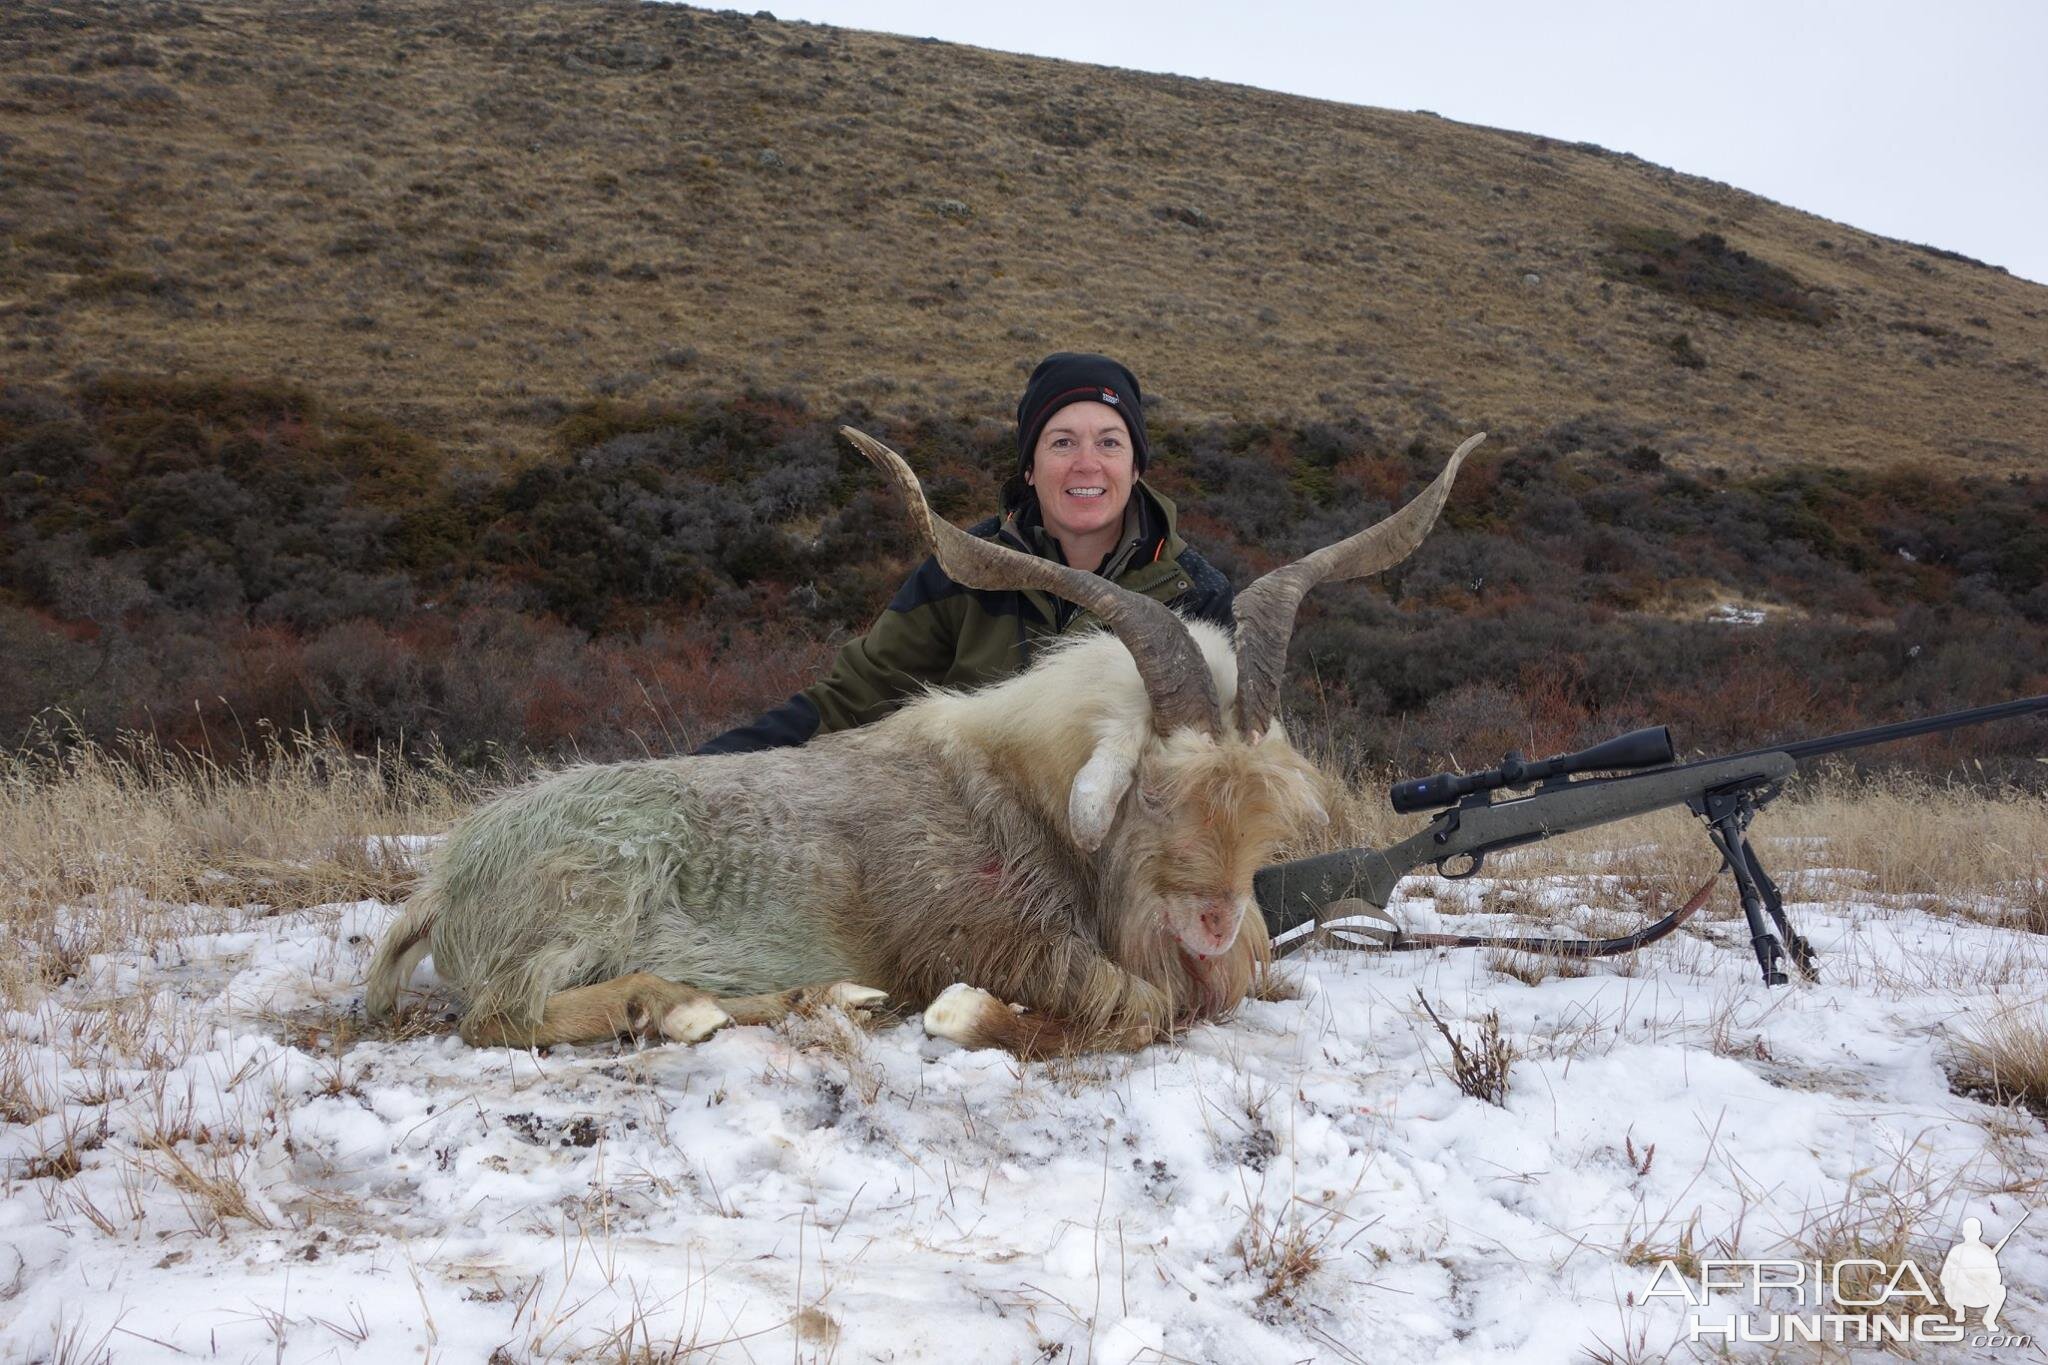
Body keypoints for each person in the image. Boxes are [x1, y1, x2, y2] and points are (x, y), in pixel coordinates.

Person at [696, 353, 1234, 754]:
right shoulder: (962, 571)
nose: (1087, 464)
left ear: (1137, 465)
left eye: (1110, 442)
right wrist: (704, 771)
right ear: (1029, 466)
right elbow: (853, 698)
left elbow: (1216, 754)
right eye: (1062, 442)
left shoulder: (1197, 594)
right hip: (968, 842)